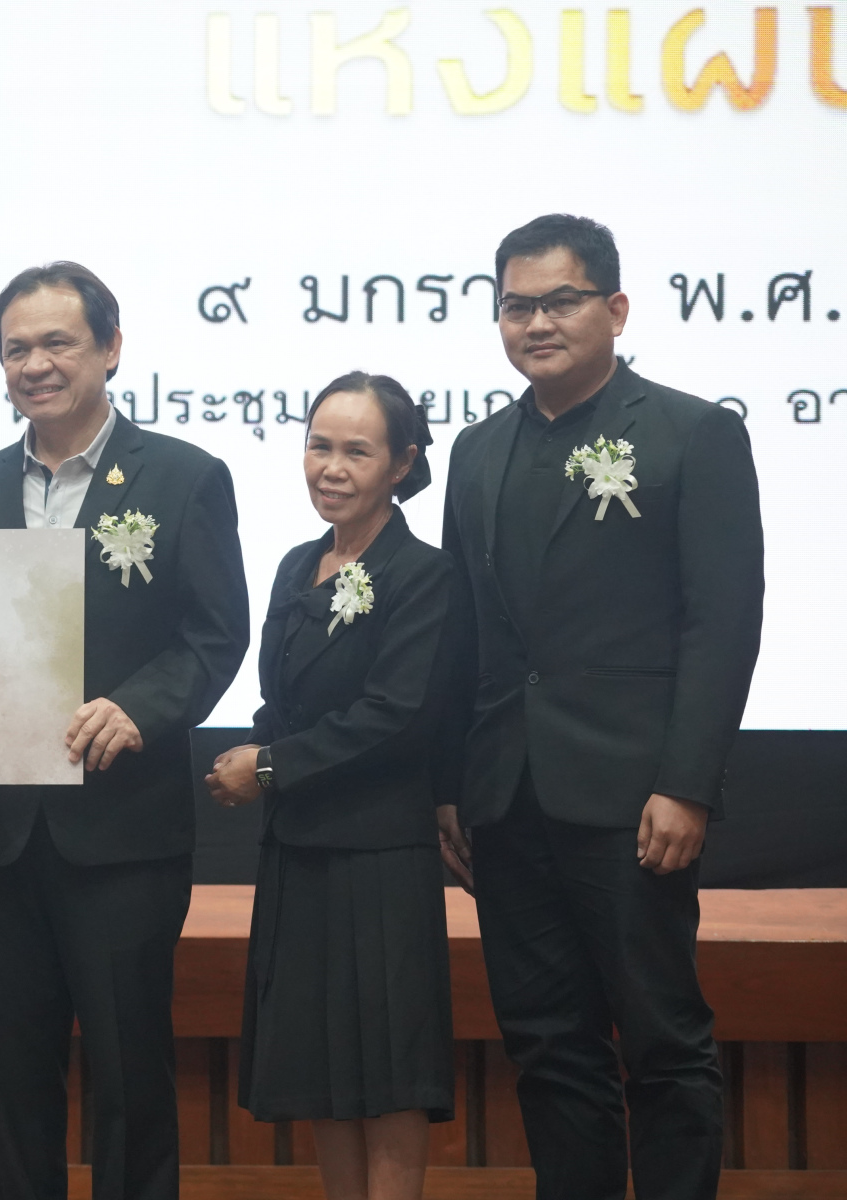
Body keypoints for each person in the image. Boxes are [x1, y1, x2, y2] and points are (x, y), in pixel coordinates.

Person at [438, 213, 764, 1200]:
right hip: (507, 798)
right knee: (548, 1045)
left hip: (634, 799)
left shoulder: (693, 433)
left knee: (662, 1042)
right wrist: (451, 785)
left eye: (561, 302)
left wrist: (687, 783)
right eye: (516, 306)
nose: (536, 323)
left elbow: (722, 622)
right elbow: (466, 636)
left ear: (615, 309)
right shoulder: (476, 449)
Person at [0, 262, 252, 1200]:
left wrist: (139, 707)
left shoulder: (183, 477)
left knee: (129, 1071)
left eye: (57, 343)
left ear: (110, 348)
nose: (35, 364)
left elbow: (213, 636)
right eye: (16, 349)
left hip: (122, 830)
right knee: (12, 1075)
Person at [206, 373, 460, 1200]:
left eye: (357, 451)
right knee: (320, 1072)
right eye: (319, 446)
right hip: (299, 849)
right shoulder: (297, 564)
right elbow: (283, 700)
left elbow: (397, 715)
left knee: (387, 1075)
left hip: (378, 856)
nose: (332, 467)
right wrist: (257, 745)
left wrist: (269, 768)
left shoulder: (423, 572)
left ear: (402, 464)